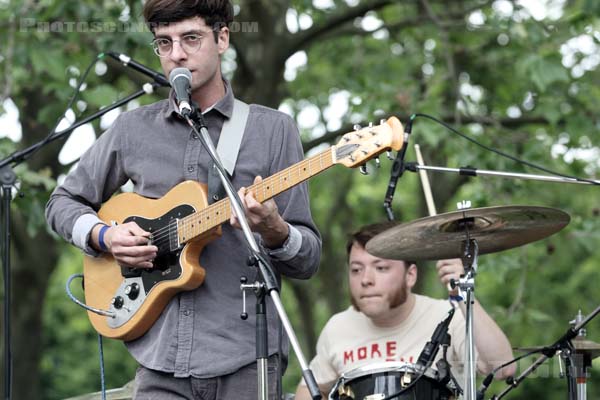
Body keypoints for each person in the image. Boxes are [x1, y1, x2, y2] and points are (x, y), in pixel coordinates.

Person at [45, 1, 321, 398]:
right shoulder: (132, 129)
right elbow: (61, 202)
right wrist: (105, 237)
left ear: (222, 38)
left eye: (191, 38)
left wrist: (275, 230)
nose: (177, 54)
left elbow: (308, 258)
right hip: (159, 362)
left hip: (247, 358)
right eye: (164, 42)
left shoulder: (273, 130)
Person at [294, 221, 515, 399]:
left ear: (410, 275)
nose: (365, 280)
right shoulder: (338, 328)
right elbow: (307, 391)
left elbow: (503, 368)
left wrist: (465, 293)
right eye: (356, 269)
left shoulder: (446, 315)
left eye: (380, 268)